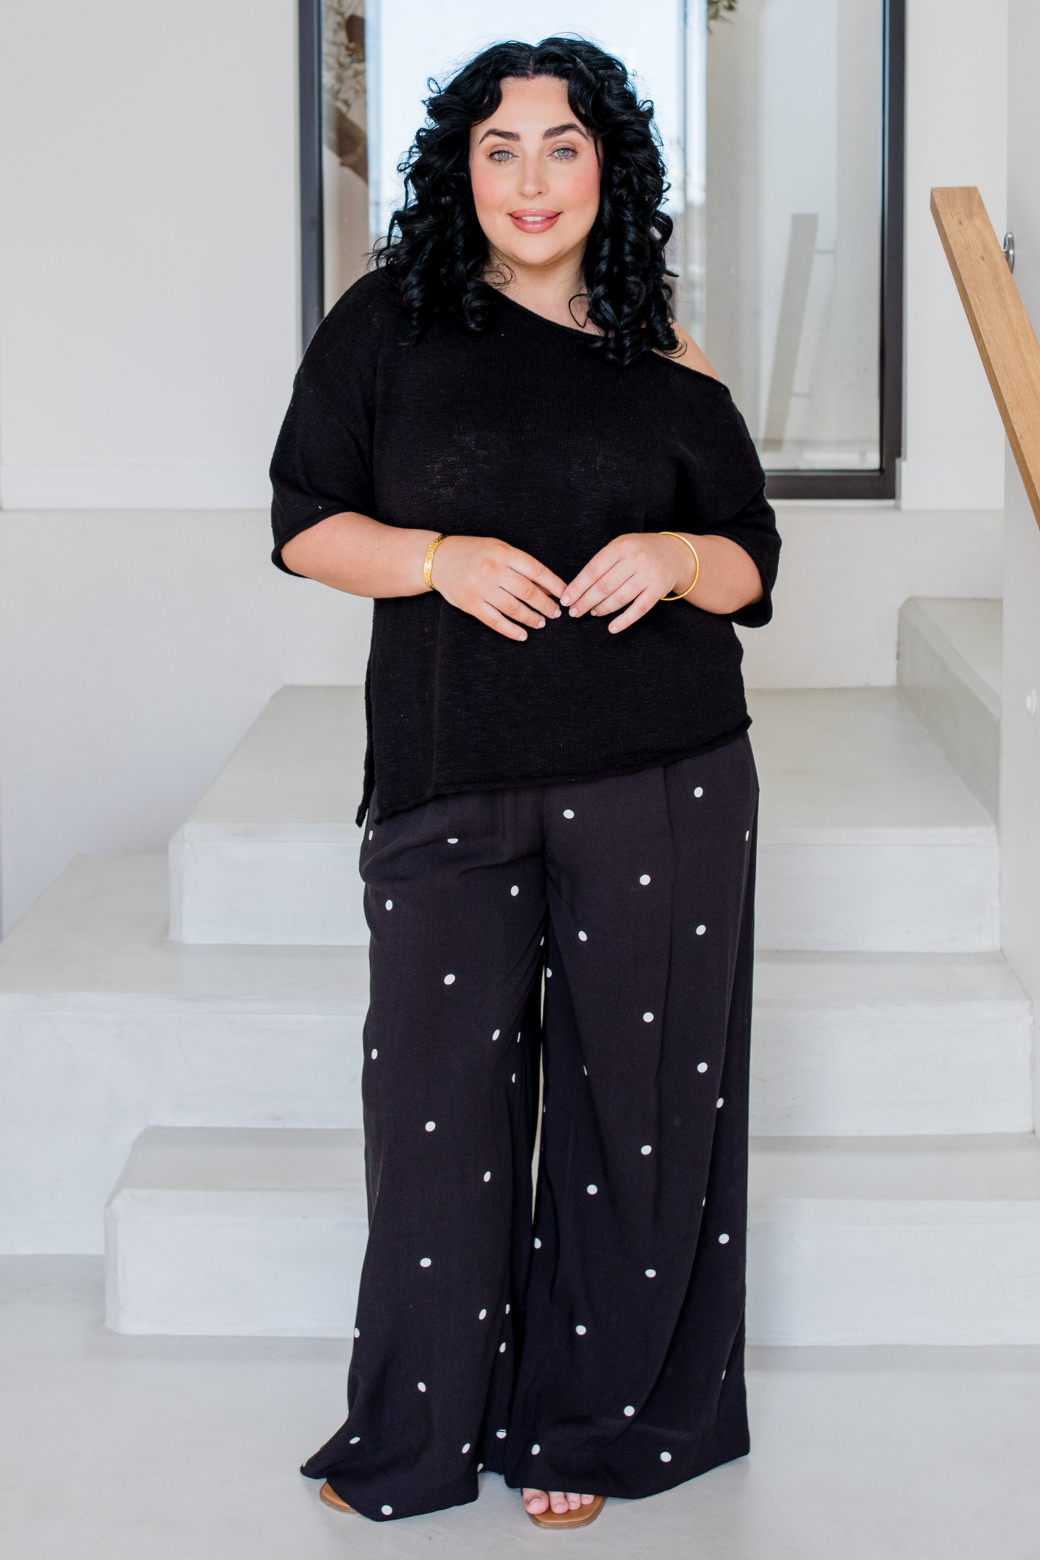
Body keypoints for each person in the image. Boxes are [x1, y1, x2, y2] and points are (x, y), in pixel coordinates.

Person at [269, 35, 779, 1530]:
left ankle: (592, 1425)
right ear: (463, 169)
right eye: (501, 148)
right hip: (450, 771)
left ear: (610, 169)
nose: (532, 179)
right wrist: (438, 558)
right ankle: (417, 1433)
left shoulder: (661, 344)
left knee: (638, 1109)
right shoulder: (389, 323)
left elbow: (751, 561)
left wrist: (679, 554)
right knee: (435, 1108)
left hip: (666, 772)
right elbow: (304, 521)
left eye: (564, 146)